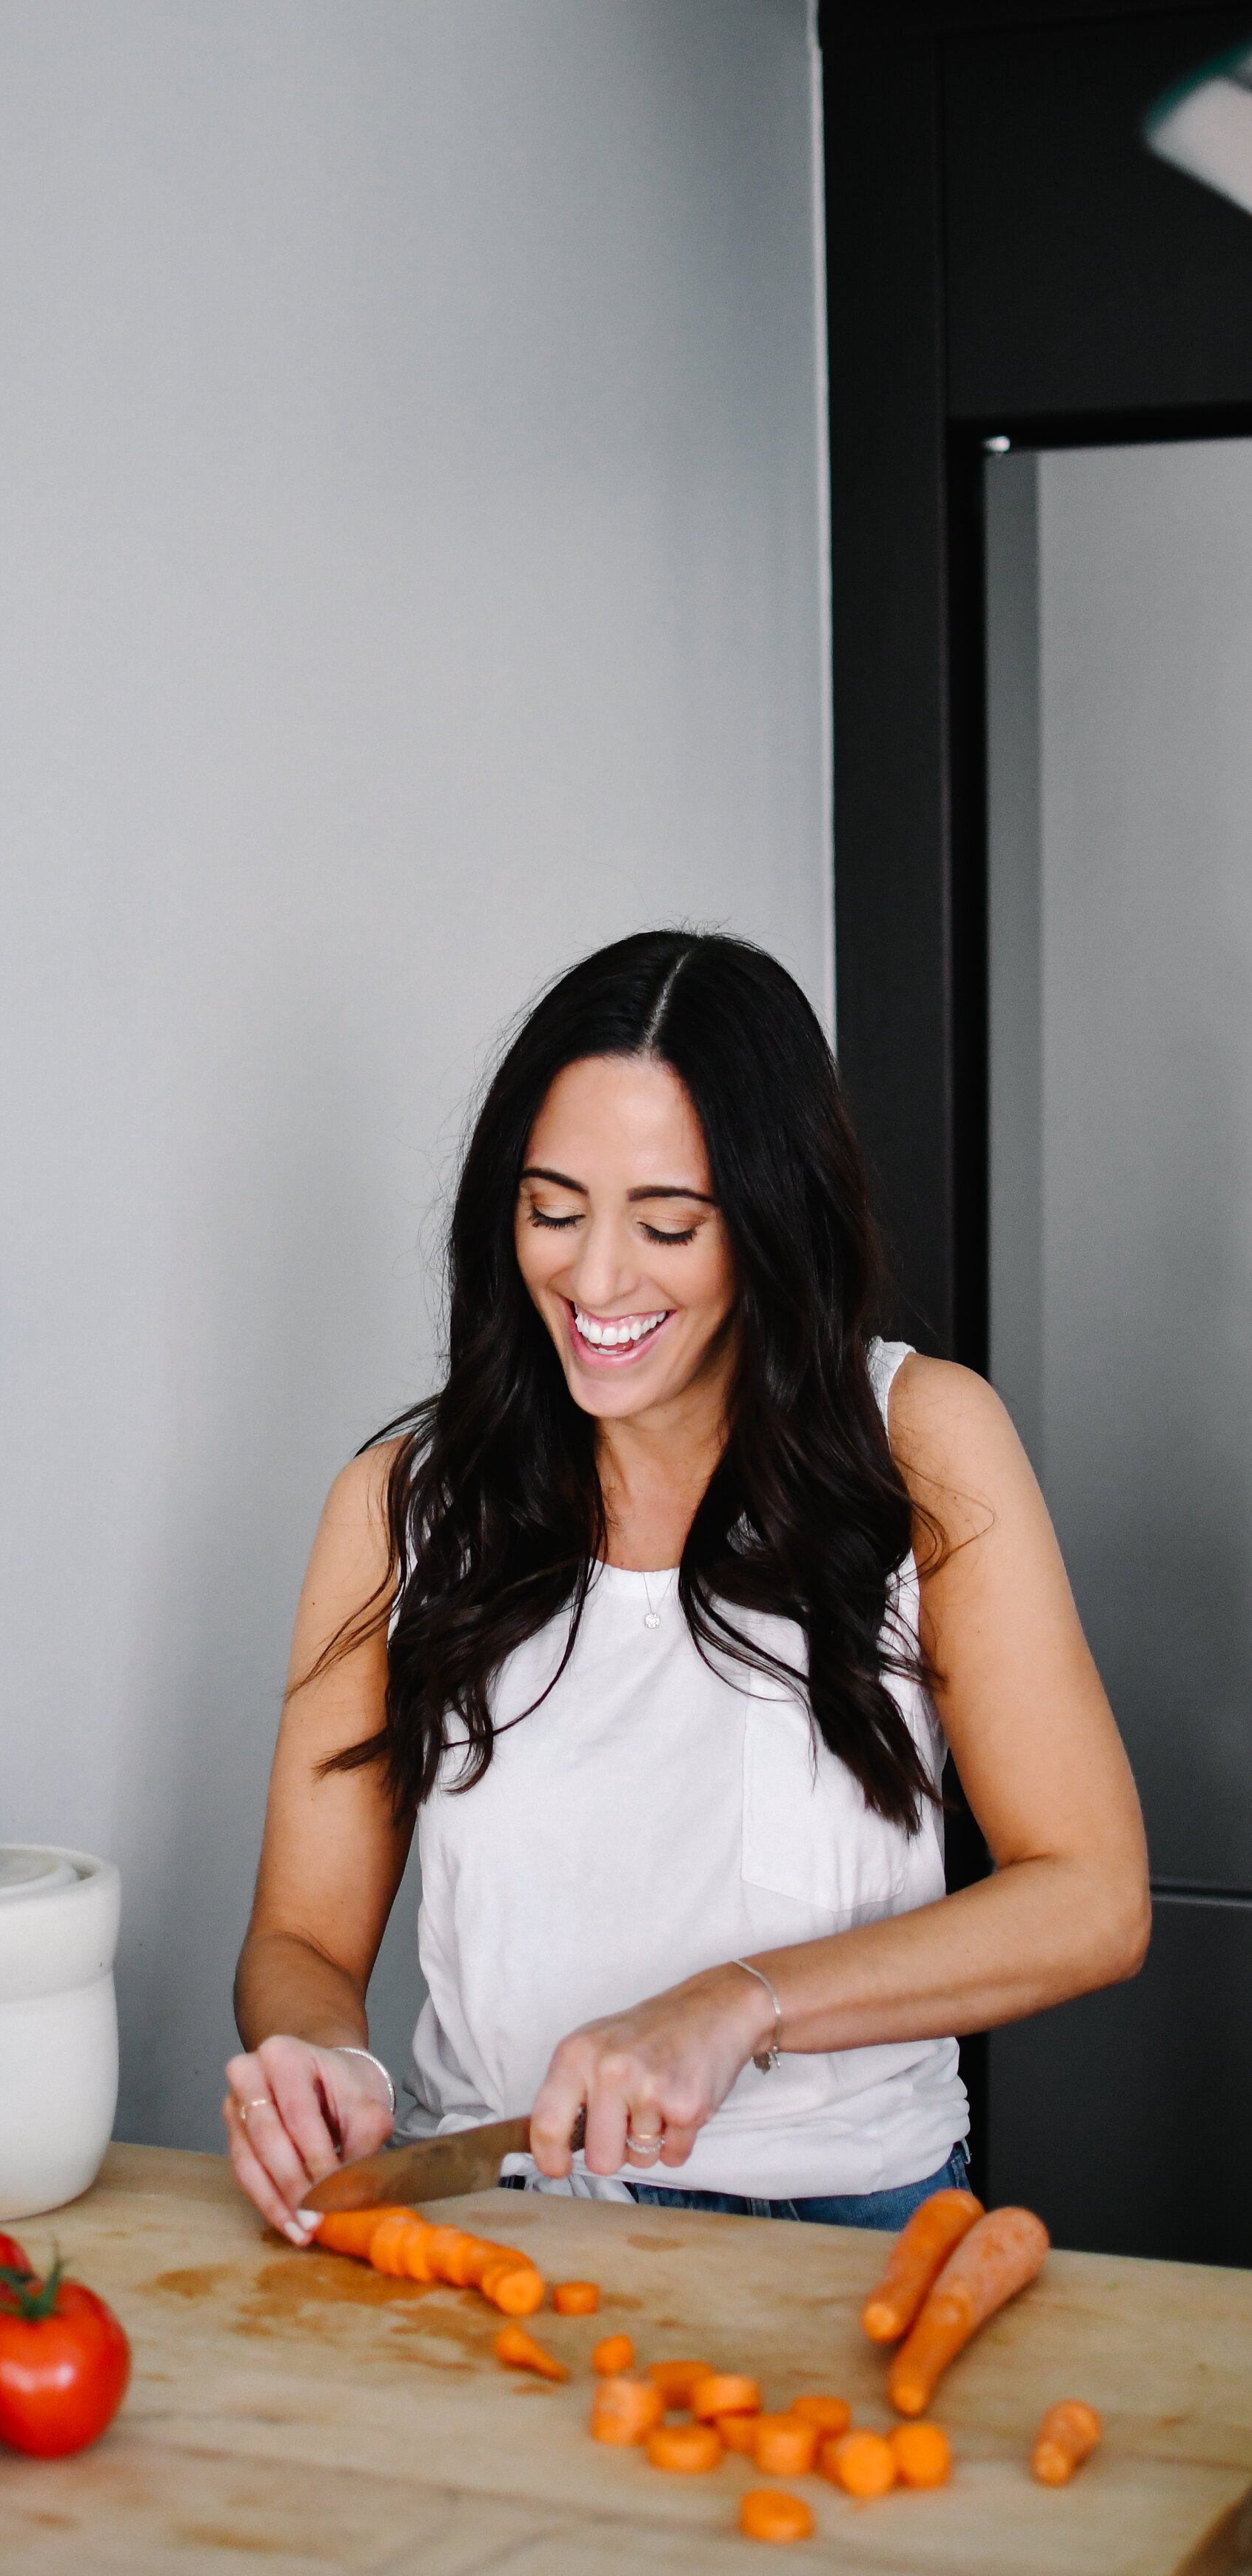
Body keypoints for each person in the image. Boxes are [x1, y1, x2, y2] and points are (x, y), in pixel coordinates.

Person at [224, 930, 1149, 2243]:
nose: (597, 1280)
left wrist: (741, 2001)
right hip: (492, 2212)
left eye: (669, 1225)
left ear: (774, 1223)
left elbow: (1093, 1898)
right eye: (553, 1211)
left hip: (840, 2227)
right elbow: (304, 1942)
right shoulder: (400, 1505)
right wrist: (326, 2062)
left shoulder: (923, 1443)